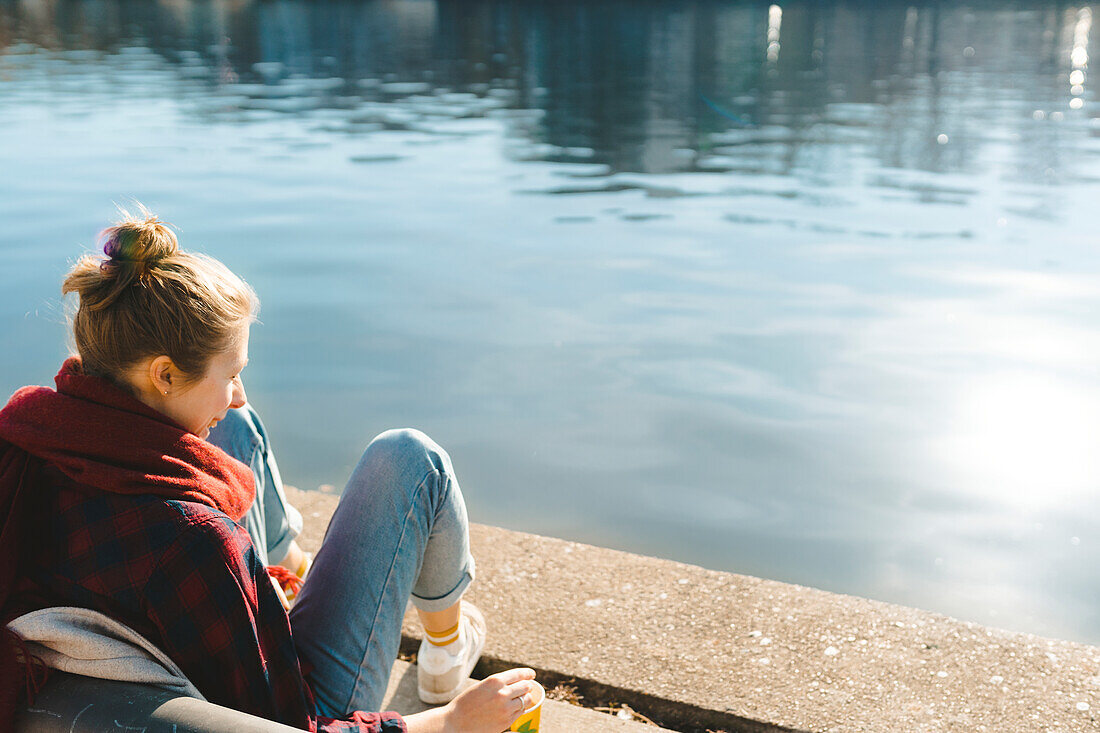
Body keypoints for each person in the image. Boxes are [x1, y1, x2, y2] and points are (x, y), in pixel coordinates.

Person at [0, 207, 537, 732]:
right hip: (275, 697)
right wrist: (449, 723)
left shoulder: (26, 442)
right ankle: (446, 650)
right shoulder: (194, 539)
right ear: (163, 374)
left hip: (131, 647)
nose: (238, 394)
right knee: (411, 460)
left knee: (237, 428)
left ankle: (291, 567)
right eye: (230, 374)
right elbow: (289, 723)